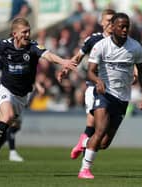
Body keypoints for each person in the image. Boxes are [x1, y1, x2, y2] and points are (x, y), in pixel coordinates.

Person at [0, 17, 76, 175]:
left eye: (29, 31)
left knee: (1, 127)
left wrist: (63, 61)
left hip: (22, 96)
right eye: (24, 32)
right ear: (15, 34)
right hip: (5, 89)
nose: (27, 34)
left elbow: (48, 55)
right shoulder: (3, 45)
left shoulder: (32, 47)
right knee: (7, 117)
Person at [77, 12, 142, 179]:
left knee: (103, 143)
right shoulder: (101, 46)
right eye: (121, 27)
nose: (124, 30)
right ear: (113, 27)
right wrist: (97, 81)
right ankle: (84, 170)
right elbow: (90, 72)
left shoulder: (135, 47)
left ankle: (85, 142)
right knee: (100, 129)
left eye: (127, 27)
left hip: (122, 98)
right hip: (104, 94)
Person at [58, 9, 116, 160]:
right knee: (93, 122)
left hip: (113, 89)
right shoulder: (94, 39)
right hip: (94, 86)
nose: (110, 23)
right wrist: (66, 69)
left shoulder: (120, 40)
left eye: (113, 20)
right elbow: (78, 56)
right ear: (101, 22)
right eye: (108, 20)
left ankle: (82, 143)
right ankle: (85, 163)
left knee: (101, 133)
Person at [0, 55, 45, 162]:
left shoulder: (25, 54)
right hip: (6, 91)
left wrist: (37, 85)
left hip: (19, 94)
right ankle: (5, 153)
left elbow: (27, 75)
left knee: (2, 127)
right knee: (10, 122)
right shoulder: (3, 54)